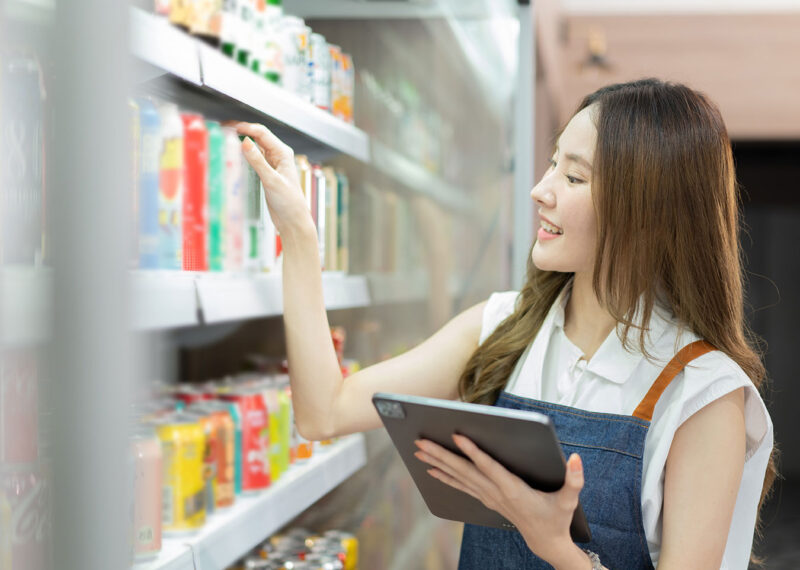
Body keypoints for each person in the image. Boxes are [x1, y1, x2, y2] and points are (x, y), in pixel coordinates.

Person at [233, 78, 775, 569]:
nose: (542, 190)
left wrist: (556, 545)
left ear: (646, 211)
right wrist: (300, 240)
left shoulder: (702, 393)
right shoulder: (502, 326)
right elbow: (323, 412)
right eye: (552, 163)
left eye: (574, 176)